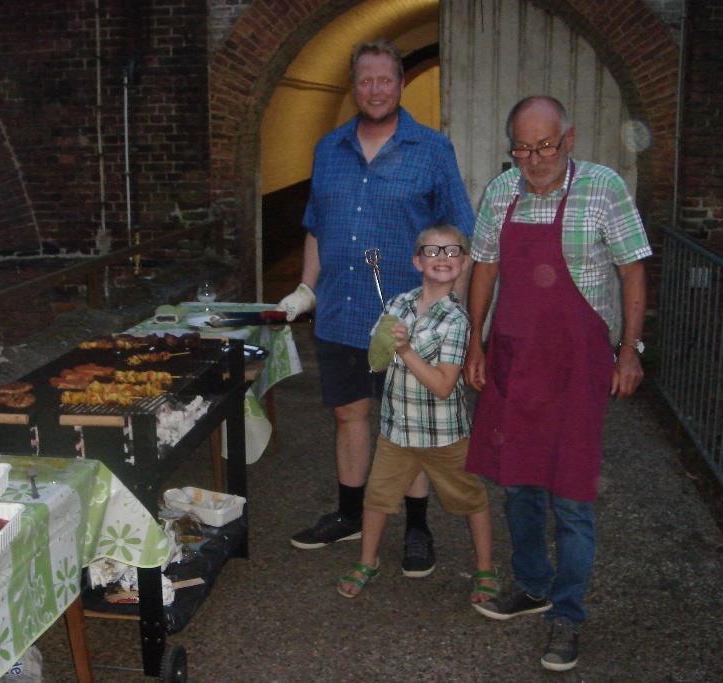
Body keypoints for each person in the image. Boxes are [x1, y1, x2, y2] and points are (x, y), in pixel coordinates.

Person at [463, 96, 652, 672]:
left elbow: (632, 269)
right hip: (516, 358)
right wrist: (477, 341)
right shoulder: (501, 193)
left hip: (579, 363)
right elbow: (486, 267)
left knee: (570, 494)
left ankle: (566, 614)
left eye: (544, 146)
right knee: (518, 483)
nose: (533, 159)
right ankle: (532, 585)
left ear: (568, 139)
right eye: (521, 147)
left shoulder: (603, 187)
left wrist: (630, 351)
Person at [277, 39, 475, 580]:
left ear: (401, 84)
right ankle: (349, 513)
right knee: (350, 415)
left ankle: (416, 527)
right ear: (353, 85)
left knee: (406, 425)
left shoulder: (432, 149)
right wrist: (305, 288)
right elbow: (316, 225)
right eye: (366, 80)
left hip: (404, 320)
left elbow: (462, 230)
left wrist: (448, 306)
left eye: (385, 79)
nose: (375, 89)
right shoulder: (328, 148)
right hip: (340, 310)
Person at [335, 225, 498, 605]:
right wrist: (383, 339)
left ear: (464, 261)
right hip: (397, 432)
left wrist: (406, 350)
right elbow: (376, 362)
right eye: (432, 251)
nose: (442, 258)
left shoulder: (457, 320)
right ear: (417, 261)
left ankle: (486, 569)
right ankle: (367, 561)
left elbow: (443, 385)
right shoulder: (397, 304)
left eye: (451, 251)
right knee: (376, 499)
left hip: (445, 435)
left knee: (471, 499)